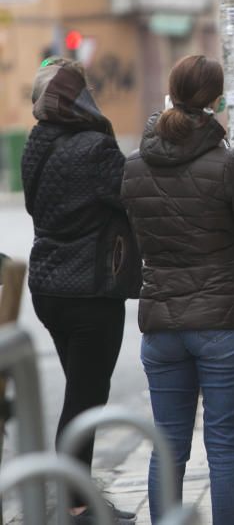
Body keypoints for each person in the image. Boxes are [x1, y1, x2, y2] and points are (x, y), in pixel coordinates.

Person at [120, 55, 234, 524]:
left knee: (167, 445)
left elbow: (138, 239)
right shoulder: (228, 166)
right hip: (224, 322)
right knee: (225, 446)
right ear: (216, 100)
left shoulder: (134, 168)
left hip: (162, 323)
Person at [21, 57, 140, 524]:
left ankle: (78, 494)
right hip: (91, 288)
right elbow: (129, 199)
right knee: (86, 399)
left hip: (48, 287)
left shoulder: (35, 144)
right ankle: (75, 501)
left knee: (80, 391)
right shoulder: (95, 147)